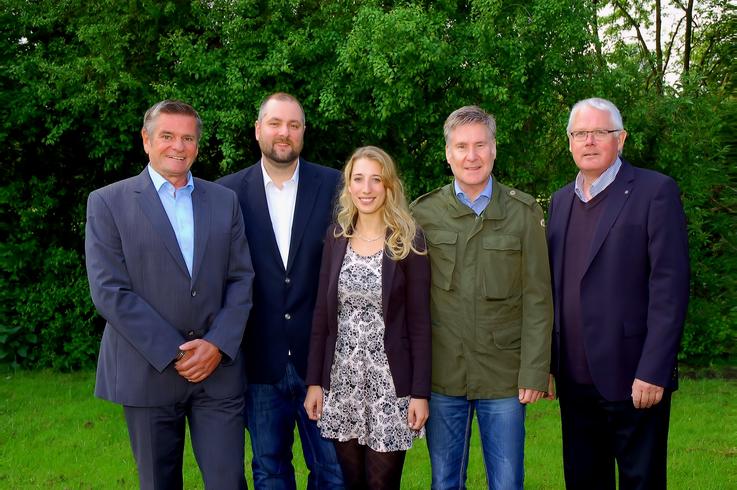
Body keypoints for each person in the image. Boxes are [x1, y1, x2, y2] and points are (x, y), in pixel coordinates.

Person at [85, 100, 254, 489]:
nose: (178, 146)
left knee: (229, 480)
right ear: (146, 140)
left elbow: (241, 278)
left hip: (217, 371)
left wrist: (216, 344)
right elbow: (109, 290)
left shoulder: (224, 201)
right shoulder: (108, 202)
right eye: (167, 136)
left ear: (197, 145)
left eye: (188, 138)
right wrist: (174, 352)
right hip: (147, 371)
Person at [546, 97, 690, 489]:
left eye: (600, 132)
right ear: (570, 142)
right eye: (580, 133)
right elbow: (553, 288)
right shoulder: (560, 202)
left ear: (620, 138)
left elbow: (670, 288)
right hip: (574, 379)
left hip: (634, 377)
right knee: (583, 480)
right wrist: (548, 362)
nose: (589, 141)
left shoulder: (653, 191)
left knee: (640, 481)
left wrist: (653, 369)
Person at [410, 105, 553, 489]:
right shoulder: (423, 214)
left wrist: (535, 370)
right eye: (461, 147)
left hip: (504, 377)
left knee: (507, 482)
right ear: (447, 153)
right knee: (444, 481)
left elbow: (539, 299)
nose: (470, 156)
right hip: (443, 375)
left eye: (479, 145)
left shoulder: (523, 213)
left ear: (494, 149)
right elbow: (407, 301)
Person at [217, 92, 344, 489]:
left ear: (304, 132)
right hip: (258, 360)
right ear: (258, 130)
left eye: (293, 125)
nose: (284, 133)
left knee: (332, 470)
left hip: (321, 360)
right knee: (269, 469)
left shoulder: (336, 185)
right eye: (275, 124)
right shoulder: (226, 194)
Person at [304, 146, 432, 489]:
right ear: (348, 186)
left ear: (389, 187)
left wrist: (420, 393)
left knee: (382, 484)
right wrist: (315, 383)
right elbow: (321, 315)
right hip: (343, 381)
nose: (366, 188)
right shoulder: (336, 238)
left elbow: (420, 324)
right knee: (352, 482)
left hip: (389, 388)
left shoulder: (408, 241)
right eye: (358, 179)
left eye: (376, 180)